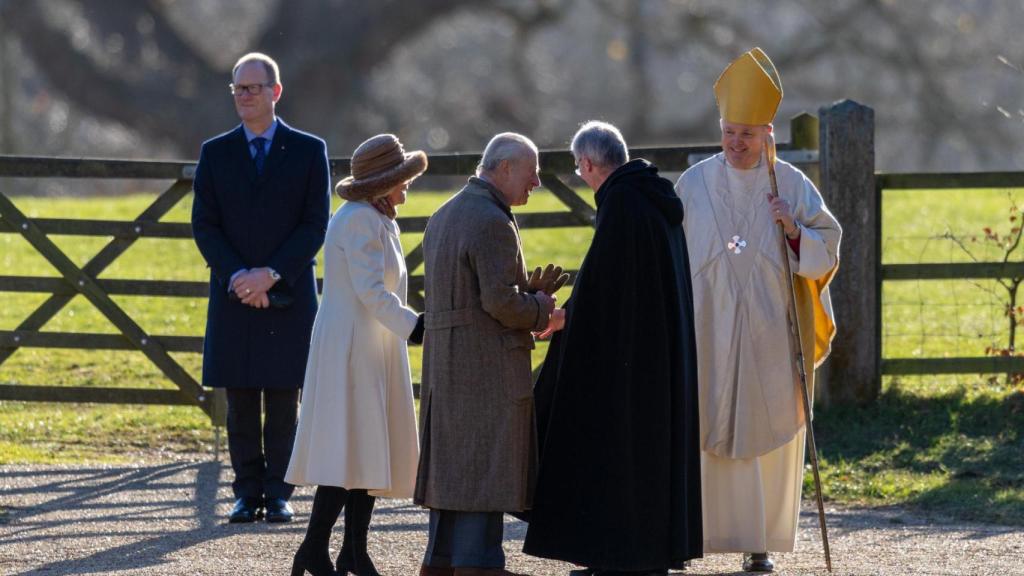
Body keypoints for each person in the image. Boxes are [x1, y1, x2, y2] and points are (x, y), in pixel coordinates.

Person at [673, 47, 841, 573]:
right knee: (701, 421)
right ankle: (690, 533)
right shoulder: (693, 183)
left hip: (773, 331)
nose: (737, 142)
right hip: (707, 330)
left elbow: (828, 244)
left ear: (768, 132)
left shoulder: (790, 183)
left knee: (768, 427)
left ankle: (759, 544)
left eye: (748, 132)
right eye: (729, 131)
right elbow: (672, 252)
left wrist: (793, 231)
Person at [522, 122, 703, 576]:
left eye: (579, 169)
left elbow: (605, 286)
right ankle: (636, 552)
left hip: (628, 358)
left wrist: (562, 318)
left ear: (586, 164)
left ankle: (618, 554)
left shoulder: (621, 204)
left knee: (608, 443)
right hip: (655, 354)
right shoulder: (651, 195)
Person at [191, 52, 330, 524]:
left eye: (253, 88)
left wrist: (270, 274)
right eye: (238, 89)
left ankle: (280, 492)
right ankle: (246, 493)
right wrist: (239, 277)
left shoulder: (310, 150)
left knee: (283, 396)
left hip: (287, 290)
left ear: (276, 91)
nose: (245, 96)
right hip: (234, 294)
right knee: (241, 398)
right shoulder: (215, 152)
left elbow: (315, 224)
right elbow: (205, 226)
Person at [285, 134, 429, 576]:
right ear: (384, 183)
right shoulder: (359, 221)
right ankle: (314, 549)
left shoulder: (380, 217)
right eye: (402, 179)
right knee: (347, 452)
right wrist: (415, 325)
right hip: (351, 348)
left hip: (373, 345)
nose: (407, 187)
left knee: (367, 450)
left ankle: (352, 551)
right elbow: (370, 290)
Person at [414, 132, 557, 576]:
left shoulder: (445, 213)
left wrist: (527, 296)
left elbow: (470, 295)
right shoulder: (491, 220)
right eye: (531, 175)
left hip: (448, 364)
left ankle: (442, 562)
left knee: (454, 470)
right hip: (484, 367)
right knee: (483, 466)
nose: (535, 184)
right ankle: (478, 564)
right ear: (505, 168)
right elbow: (498, 303)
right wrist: (541, 309)